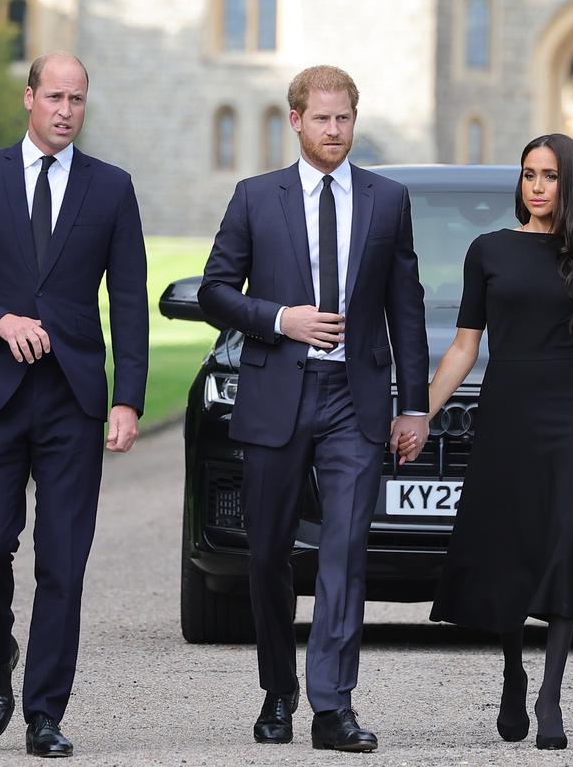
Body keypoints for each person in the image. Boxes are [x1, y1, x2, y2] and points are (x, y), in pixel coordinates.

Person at [0, 51, 148, 758]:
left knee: (64, 562)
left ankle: (45, 712)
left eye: (77, 99)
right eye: (54, 97)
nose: (66, 110)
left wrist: (128, 398)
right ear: (29, 98)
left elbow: (130, 303)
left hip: (72, 396)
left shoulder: (111, 189)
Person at [198, 65, 429, 752]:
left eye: (344, 119)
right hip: (276, 396)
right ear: (295, 120)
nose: (334, 131)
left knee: (346, 551)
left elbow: (406, 311)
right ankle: (279, 689)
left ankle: (333, 706)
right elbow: (215, 291)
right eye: (322, 118)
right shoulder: (254, 198)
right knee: (267, 553)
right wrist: (280, 319)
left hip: (353, 403)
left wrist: (412, 407)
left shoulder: (388, 200)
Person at [409, 133, 573, 750]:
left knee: (565, 542)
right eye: (528, 175)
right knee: (511, 546)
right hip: (507, 415)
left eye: (548, 176)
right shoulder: (488, 251)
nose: (537, 187)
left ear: (570, 183)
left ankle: (550, 694)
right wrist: (418, 414)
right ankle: (514, 672)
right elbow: (464, 347)